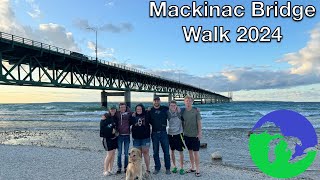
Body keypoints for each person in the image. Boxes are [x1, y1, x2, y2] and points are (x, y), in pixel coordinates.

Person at [149, 96, 171, 175]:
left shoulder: (165, 108)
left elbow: (174, 108)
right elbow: (142, 115)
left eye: (158, 100)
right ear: (153, 102)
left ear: (160, 101)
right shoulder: (150, 110)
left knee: (166, 152)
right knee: (155, 152)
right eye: (155, 101)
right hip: (154, 133)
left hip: (163, 133)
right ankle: (157, 168)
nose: (156, 102)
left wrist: (195, 109)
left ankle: (168, 168)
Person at [182, 96, 202, 177]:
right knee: (190, 152)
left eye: (190, 101)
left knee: (196, 153)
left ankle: (197, 169)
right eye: (187, 101)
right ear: (184, 102)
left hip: (195, 135)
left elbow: (199, 122)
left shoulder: (196, 111)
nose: (188, 102)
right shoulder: (183, 111)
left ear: (192, 102)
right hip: (186, 135)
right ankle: (192, 167)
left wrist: (200, 133)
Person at [130, 104, 151, 174]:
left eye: (140, 109)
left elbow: (153, 119)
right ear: (135, 110)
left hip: (145, 137)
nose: (139, 110)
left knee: (146, 152)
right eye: (137, 109)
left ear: (143, 109)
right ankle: (138, 170)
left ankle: (148, 169)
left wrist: (149, 110)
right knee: (137, 154)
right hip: (136, 138)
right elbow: (128, 123)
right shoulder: (133, 116)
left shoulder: (147, 114)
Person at [167, 100, 186, 175]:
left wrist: (196, 108)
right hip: (170, 134)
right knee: (172, 151)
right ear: (169, 106)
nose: (173, 107)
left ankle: (181, 168)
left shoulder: (180, 111)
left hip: (178, 134)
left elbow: (189, 107)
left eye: (174, 105)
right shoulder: (167, 112)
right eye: (171, 105)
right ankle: (174, 166)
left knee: (180, 151)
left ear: (176, 106)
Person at [100, 106, 118, 176]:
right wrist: (111, 130)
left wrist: (115, 131)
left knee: (113, 154)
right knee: (109, 154)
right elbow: (102, 128)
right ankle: (105, 170)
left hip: (114, 138)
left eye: (114, 109)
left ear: (116, 110)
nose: (113, 111)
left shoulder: (115, 117)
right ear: (109, 110)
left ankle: (110, 170)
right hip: (107, 138)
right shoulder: (105, 116)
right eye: (111, 109)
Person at [115, 103, 132, 174]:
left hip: (127, 135)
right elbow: (110, 114)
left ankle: (126, 167)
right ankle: (119, 168)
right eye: (121, 107)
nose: (122, 108)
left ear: (126, 108)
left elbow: (137, 113)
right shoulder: (117, 114)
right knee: (119, 153)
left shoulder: (129, 114)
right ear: (119, 108)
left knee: (126, 153)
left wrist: (147, 110)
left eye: (124, 107)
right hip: (119, 136)